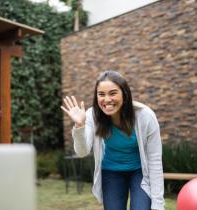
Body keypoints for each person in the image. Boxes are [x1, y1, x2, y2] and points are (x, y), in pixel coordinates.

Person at [61, 70, 164, 210]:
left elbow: (154, 160)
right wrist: (79, 127)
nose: (107, 99)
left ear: (125, 94)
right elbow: (82, 152)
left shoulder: (145, 116)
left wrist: (158, 205)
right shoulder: (92, 116)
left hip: (139, 172)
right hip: (111, 172)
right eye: (101, 94)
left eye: (113, 93)